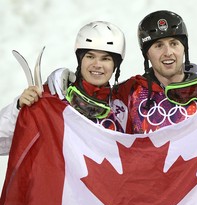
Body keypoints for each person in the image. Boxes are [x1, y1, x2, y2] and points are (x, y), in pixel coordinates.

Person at [0, 20, 128, 155]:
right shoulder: (54, 96)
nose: (97, 64)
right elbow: (2, 144)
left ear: (115, 65)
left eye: (106, 59)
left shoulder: (122, 109)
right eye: (90, 56)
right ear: (80, 60)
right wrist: (18, 109)